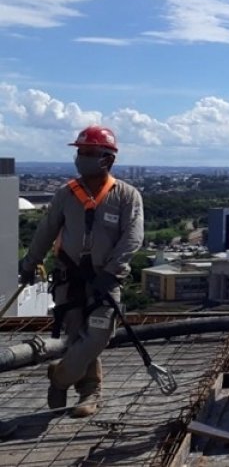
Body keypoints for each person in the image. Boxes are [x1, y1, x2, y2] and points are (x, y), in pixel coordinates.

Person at [19, 125, 144, 417]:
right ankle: (90, 391)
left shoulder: (126, 196)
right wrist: (29, 264)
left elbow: (132, 238)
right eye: (80, 152)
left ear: (107, 159)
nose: (81, 157)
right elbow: (46, 231)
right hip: (71, 278)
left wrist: (112, 273)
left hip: (106, 278)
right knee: (77, 337)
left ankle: (61, 377)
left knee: (98, 335)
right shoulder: (67, 194)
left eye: (89, 153)